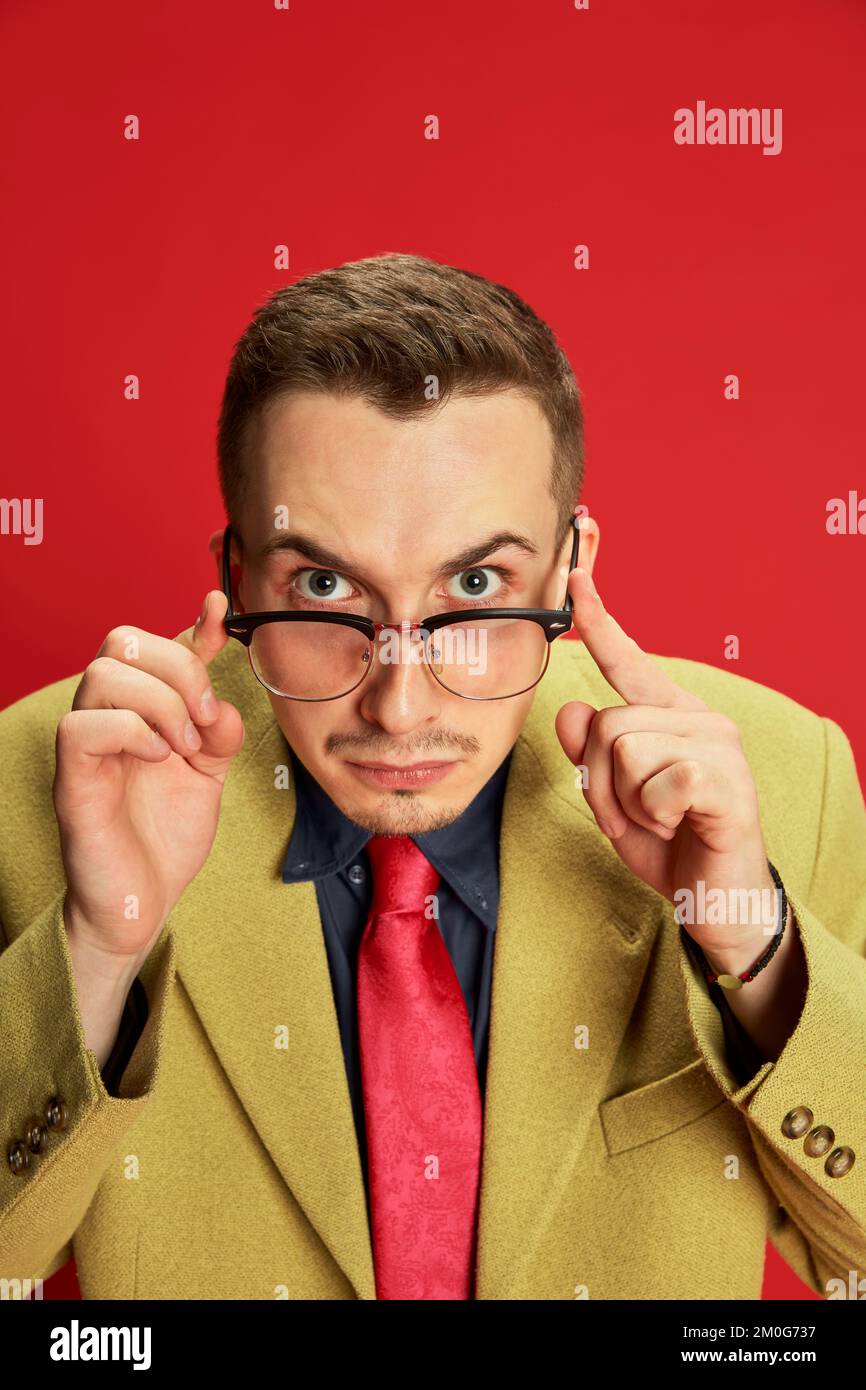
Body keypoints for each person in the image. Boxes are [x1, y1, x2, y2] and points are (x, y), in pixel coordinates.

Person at [1, 253, 864, 1301]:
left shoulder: (783, 778)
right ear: (234, 578)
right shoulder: (43, 782)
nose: (399, 706)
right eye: (323, 585)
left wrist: (750, 939)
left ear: (568, 570)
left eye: (473, 583)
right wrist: (98, 951)